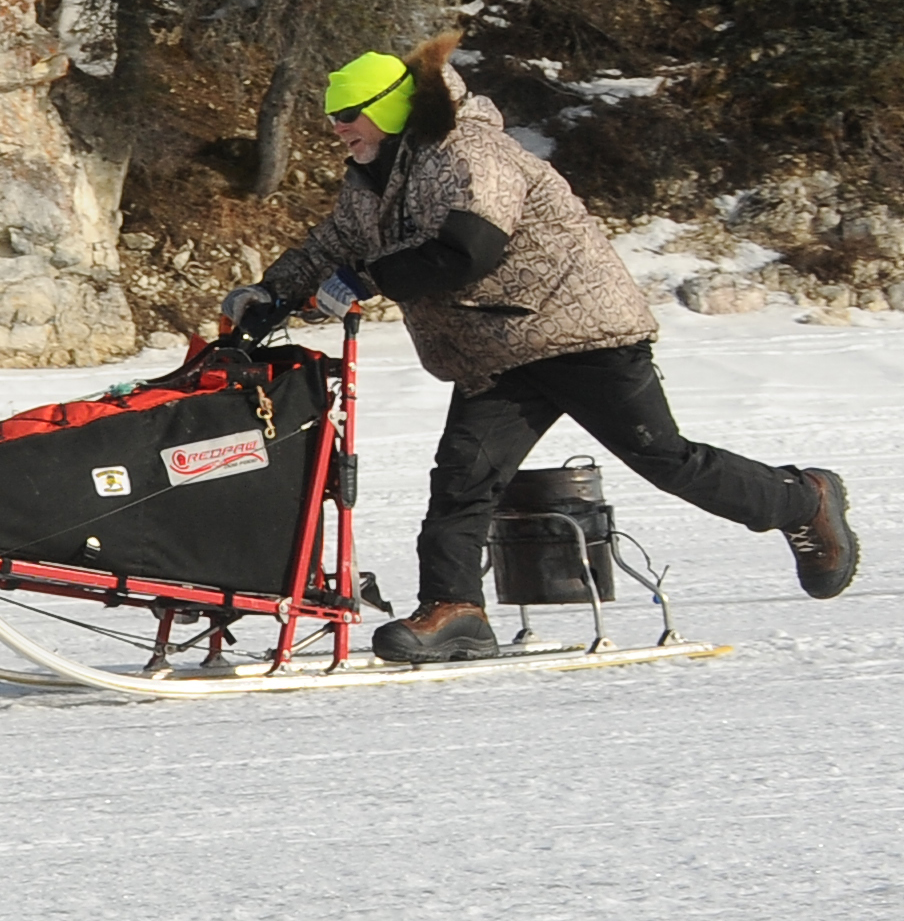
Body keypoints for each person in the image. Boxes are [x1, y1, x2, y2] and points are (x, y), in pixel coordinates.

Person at [222, 33, 858, 662]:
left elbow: (469, 249)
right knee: (462, 479)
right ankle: (456, 610)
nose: (337, 128)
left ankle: (804, 501)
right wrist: (270, 293)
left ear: (389, 107)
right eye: (332, 117)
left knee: (663, 457)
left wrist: (368, 278)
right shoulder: (371, 179)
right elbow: (331, 246)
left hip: (577, 332)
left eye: (348, 114)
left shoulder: (468, 151)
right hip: (496, 349)